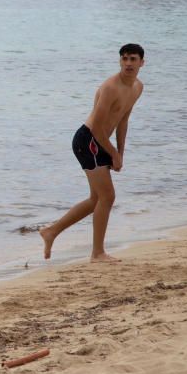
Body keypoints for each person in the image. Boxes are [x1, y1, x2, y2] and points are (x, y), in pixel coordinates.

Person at [40, 44, 145, 263]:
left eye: (133, 59)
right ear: (119, 61)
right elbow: (97, 127)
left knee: (97, 198)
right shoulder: (110, 87)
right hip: (88, 140)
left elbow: (123, 120)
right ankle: (97, 253)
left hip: (102, 143)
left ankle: (51, 231)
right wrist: (113, 153)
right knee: (107, 196)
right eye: (124, 59)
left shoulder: (137, 87)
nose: (128, 63)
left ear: (141, 63)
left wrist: (120, 153)